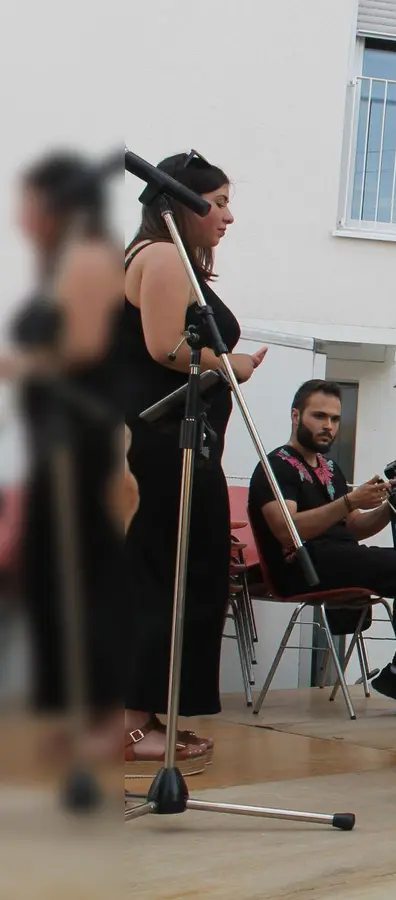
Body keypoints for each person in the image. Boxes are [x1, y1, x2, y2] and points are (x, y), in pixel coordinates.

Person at [118, 151, 266, 773]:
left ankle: (153, 714)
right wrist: (229, 365)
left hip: (186, 444)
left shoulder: (169, 260)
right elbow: (166, 346)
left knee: (186, 573)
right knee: (167, 576)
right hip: (166, 447)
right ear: (183, 202)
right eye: (221, 201)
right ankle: (131, 724)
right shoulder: (159, 257)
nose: (228, 216)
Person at [11, 151, 129, 773]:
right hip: (51, 447)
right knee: (49, 578)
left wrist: (15, 365)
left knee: (84, 577)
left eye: (28, 201)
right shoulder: (56, 262)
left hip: (80, 446)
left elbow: (81, 350)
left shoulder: (87, 257)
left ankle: (102, 720)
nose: (21, 214)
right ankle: (70, 717)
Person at [247, 380, 396, 709]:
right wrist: (349, 501)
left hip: (339, 559)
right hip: (302, 567)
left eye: (335, 419)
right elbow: (287, 531)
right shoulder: (275, 467)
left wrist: (391, 507)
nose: (328, 426)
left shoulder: (330, 468)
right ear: (295, 415)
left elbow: (353, 528)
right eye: (319, 416)